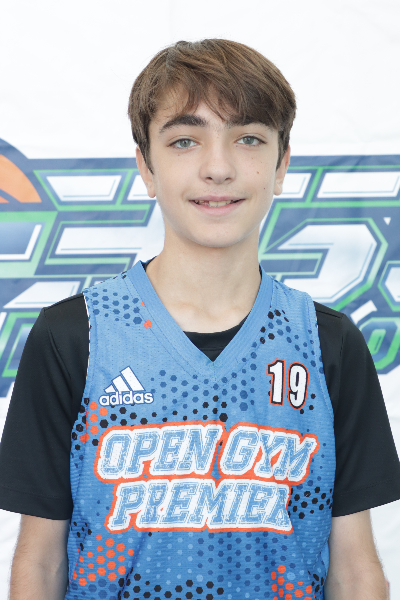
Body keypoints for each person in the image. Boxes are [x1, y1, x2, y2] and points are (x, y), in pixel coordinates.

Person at [0, 39, 399, 600]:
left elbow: (355, 569)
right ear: (146, 166)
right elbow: (39, 564)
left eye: (248, 138)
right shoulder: (75, 335)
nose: (218, 168)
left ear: (282, 164)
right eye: (185, 140)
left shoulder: (327, 343)